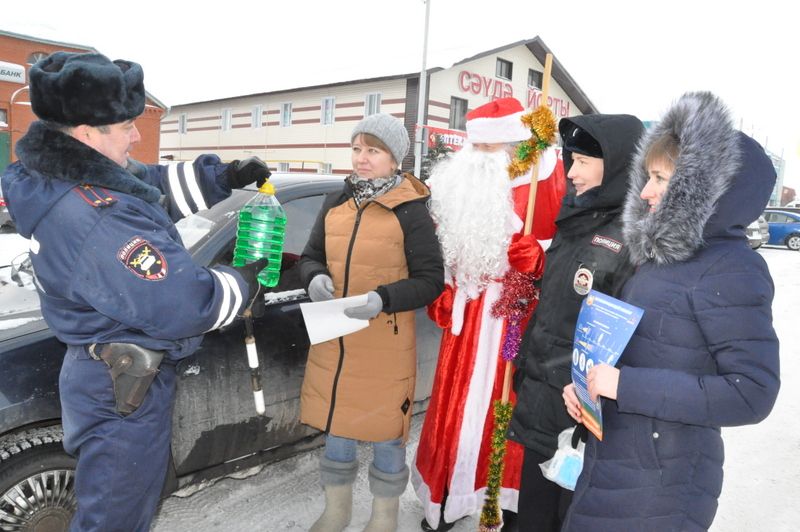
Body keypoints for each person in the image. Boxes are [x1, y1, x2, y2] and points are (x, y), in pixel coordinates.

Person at [0, 52, 271, 531]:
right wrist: (240, 284)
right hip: (121, 390)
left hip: (105, 376)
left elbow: (146, 182)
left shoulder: (65, 172)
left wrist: (223, 177)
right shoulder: (95, 215)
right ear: (87, 132)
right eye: (126, 125)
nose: (138, 135)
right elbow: (182, 305)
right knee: (116, 519)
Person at [561, 91, 780, 532]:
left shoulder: (732, 268)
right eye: (648, 176)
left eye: (661, 178)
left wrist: (626, 385)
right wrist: (590, 389)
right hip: (617, 462)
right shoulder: (662, 258)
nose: (645, 191)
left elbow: (751, 392)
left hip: (663, 484)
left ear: (704, 188)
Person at [412, 97, 566, 531]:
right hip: (465, 320)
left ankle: (494, 499)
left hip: (512, 317)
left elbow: (564, 255)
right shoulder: (454, 187)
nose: (479, 158)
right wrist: (443, 290)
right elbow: (441, 251)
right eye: (475, 148)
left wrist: (535, 258)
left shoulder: (539, 183)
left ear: (513, 148)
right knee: (453, 409)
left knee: (502, 408)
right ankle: (443, 495)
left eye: (490, 149)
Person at [298, 113, 444, 532]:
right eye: (357, 148)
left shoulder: (411, 211)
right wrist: (314, 277)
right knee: (337, 428)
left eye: (373, 150)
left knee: (384, 433)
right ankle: (337, 511)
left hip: (385, 341)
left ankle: (384, 517)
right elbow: (309, 256)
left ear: (395, 158)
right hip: (336, 340)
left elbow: (431, 280)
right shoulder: (337, 200)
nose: (362, 158)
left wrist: (383, 298)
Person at [507, 112, 644, 532]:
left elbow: (632, 340)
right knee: (532, 513)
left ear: (618, 164)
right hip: (540, 401)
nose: (572, 171)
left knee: (566, 517)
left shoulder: (632, 237)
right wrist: (523, 359)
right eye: (572, 159)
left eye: (584, 161)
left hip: (580, 412)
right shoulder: (575, 220)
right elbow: (553, 306)